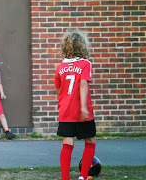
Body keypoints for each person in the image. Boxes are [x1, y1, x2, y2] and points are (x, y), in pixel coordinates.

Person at [54, 30, 96, 180]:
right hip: (81, 110)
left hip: (65, 110)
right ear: (83, 46)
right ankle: (83, 176)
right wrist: (83, 107)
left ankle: (65, 177)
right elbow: (83, 84)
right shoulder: (85, 64)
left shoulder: (60, 68)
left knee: (67, 142)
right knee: (90, 141)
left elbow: (59, 90)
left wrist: (64, 104)